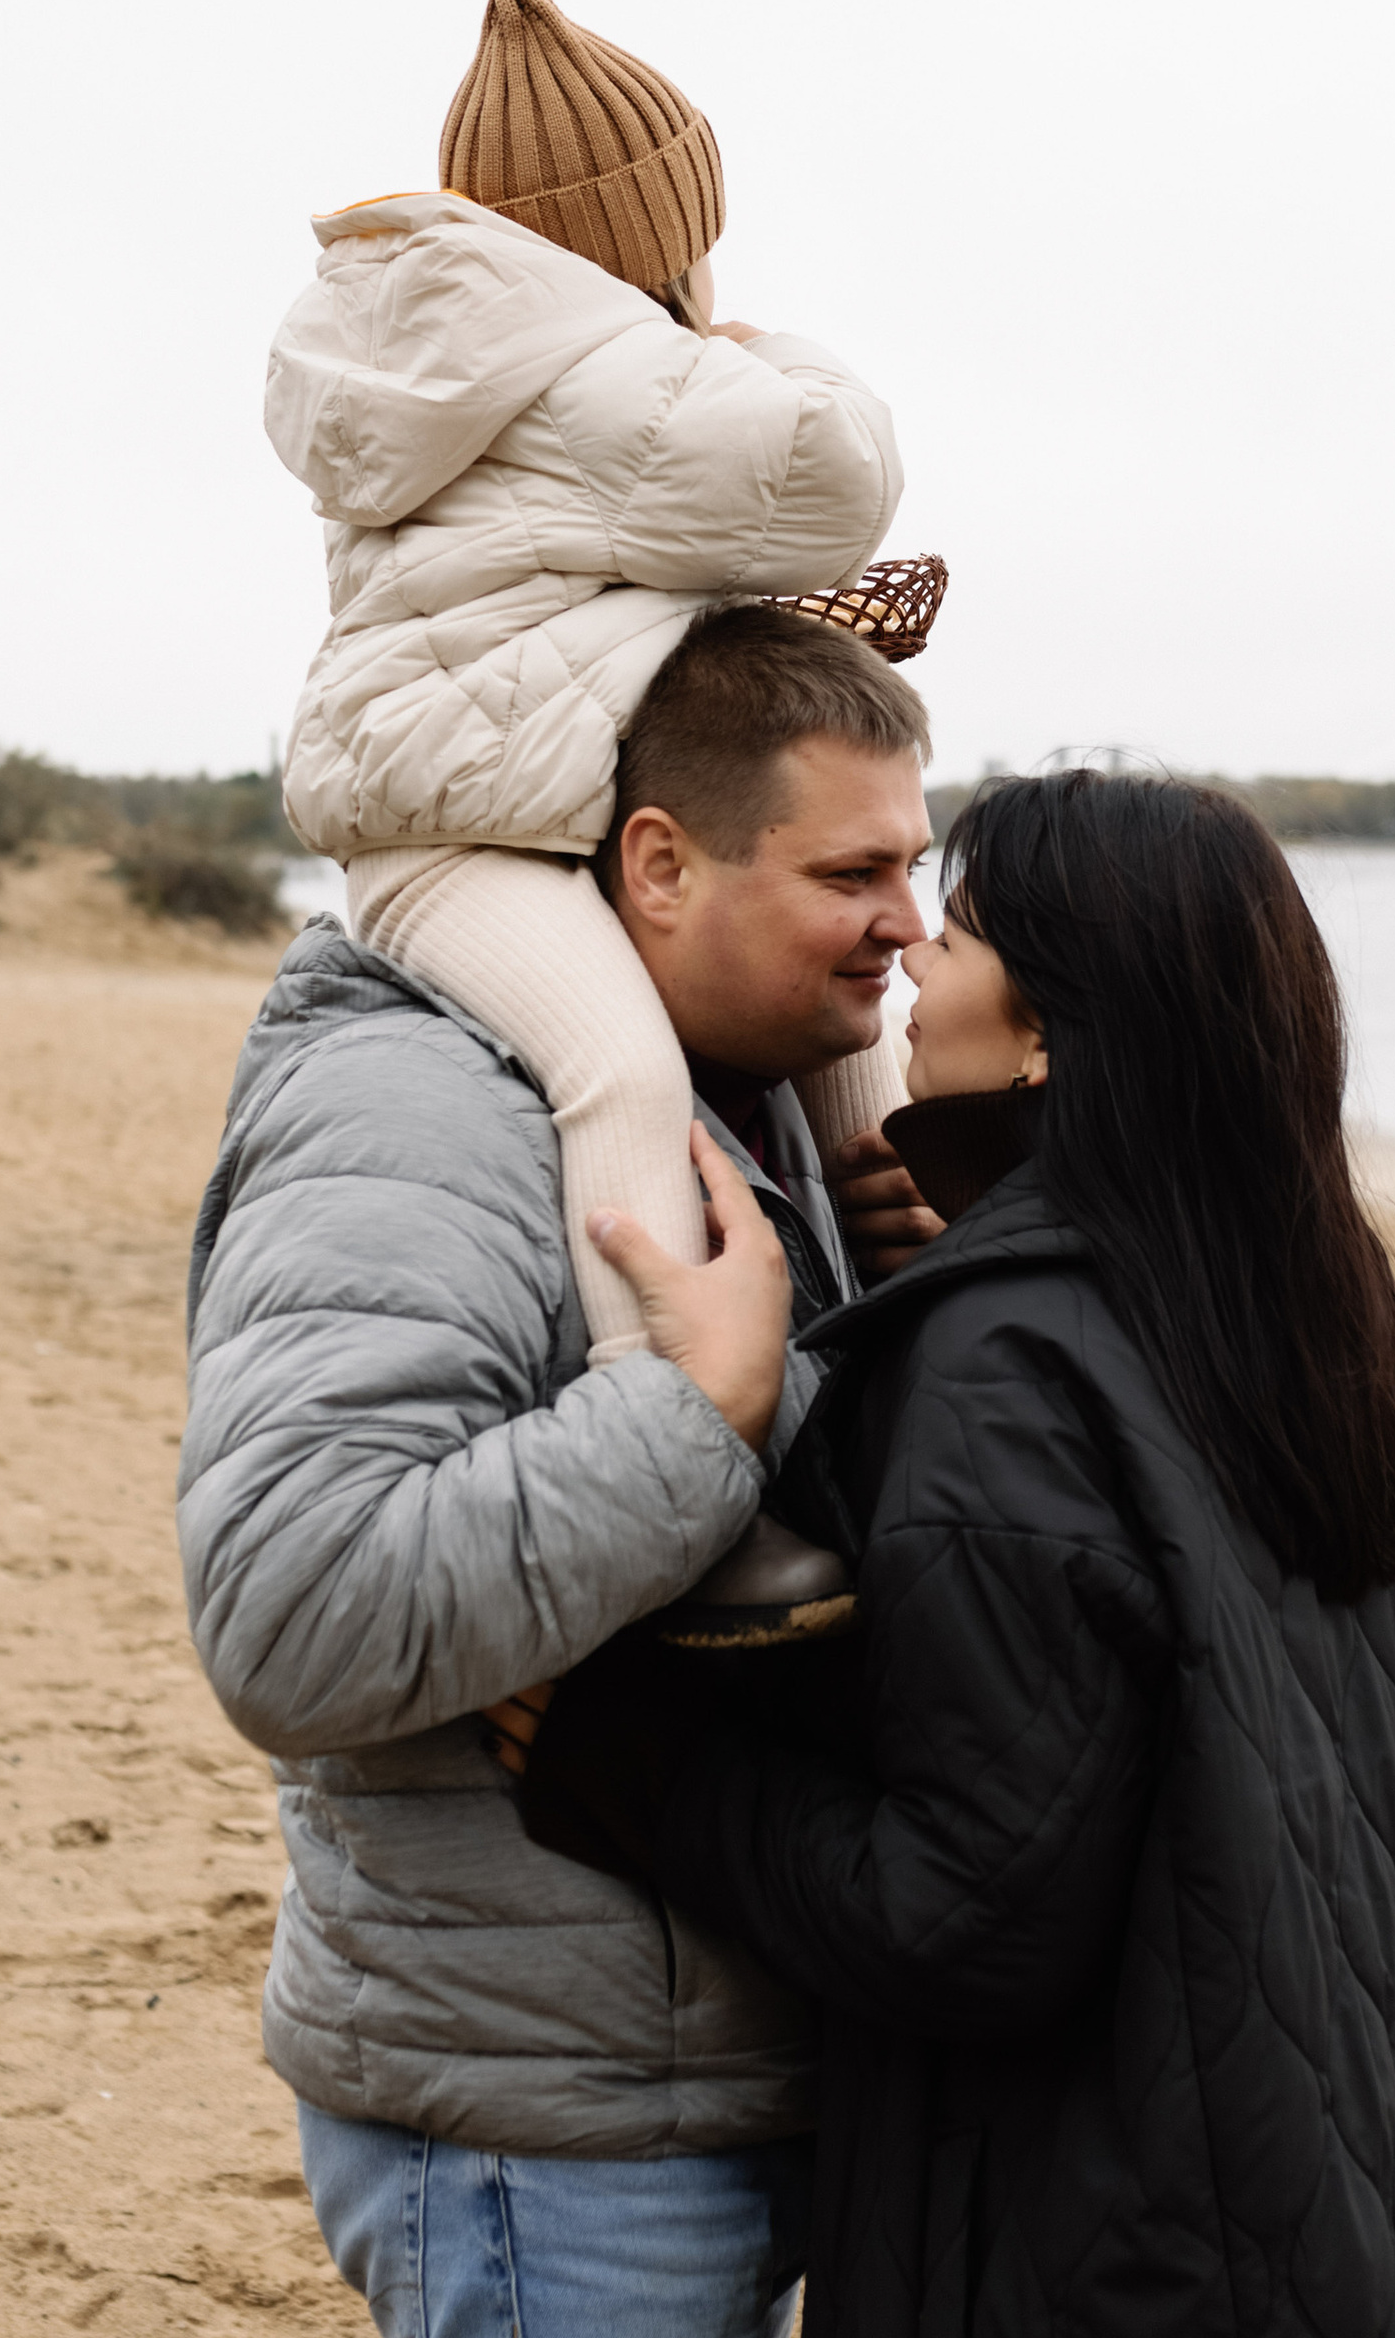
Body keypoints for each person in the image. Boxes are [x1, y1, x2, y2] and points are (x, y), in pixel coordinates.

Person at [525, 770, 1395, 2336]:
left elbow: (969, 1920)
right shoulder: (1333, 1331)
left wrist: (631, 1760)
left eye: (969, 931)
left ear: (1055, 1028)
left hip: (1122, 2258)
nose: (916, 953)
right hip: (1382, 2216)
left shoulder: (1010, 1364)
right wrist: (971, 1213)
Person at [177, 609, 938, 2338]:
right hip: (561, 2140)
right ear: (658, 865)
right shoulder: (418, 1110)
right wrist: (693, 1414)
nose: (910, 920)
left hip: (718, 2076)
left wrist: (918, 1279)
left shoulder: (759, 1098)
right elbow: (293, 1618)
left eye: (919, 863)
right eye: (856, 872)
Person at [265, 0, 932, 1581]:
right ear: (653, 236)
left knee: (843, 1046)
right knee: (620, 1079)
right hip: (459, 844)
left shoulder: (460, 370)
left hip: (506, 792)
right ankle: (682, 1446)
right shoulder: (599, 374)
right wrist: (780, 349)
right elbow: (833, 475)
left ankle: (902, 1284)